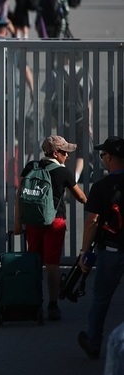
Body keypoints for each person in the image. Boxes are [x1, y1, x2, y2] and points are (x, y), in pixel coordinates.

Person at [13, 135, 87, 321]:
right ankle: (53, 305)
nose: (67, 156)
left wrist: (17, 223)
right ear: (55, 153)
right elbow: (81, 197)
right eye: (64, 152)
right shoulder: (63, 172)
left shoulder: (31, 167)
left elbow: (19, 194)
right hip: (55, 222)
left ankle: (33, 301)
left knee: (34, 262)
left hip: (32, 222)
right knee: (52, 265)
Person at [78, 136, 124, 360]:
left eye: (103, 155)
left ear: (110, 157)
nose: (103, 159)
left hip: (112, 251)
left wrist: (84, 252)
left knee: (101, 299)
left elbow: (92, 221)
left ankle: (94, 342)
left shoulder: (101, 186)